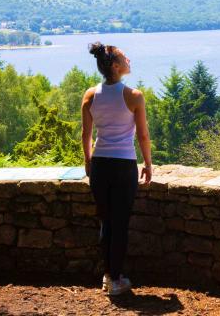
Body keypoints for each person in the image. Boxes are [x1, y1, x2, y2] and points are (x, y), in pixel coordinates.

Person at [81, 42, 152, 296]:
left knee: (106, 221)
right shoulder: (134, 96)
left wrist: (89, 162)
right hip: (123, 166)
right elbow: (143, 136)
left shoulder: (90, 95)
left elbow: (86, 134)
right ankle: (116, 280)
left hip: (100, 164)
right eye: (124, 57)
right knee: (119, 223)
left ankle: (108, 274)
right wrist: (148, 164)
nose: (128, 59)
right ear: (115, 66)